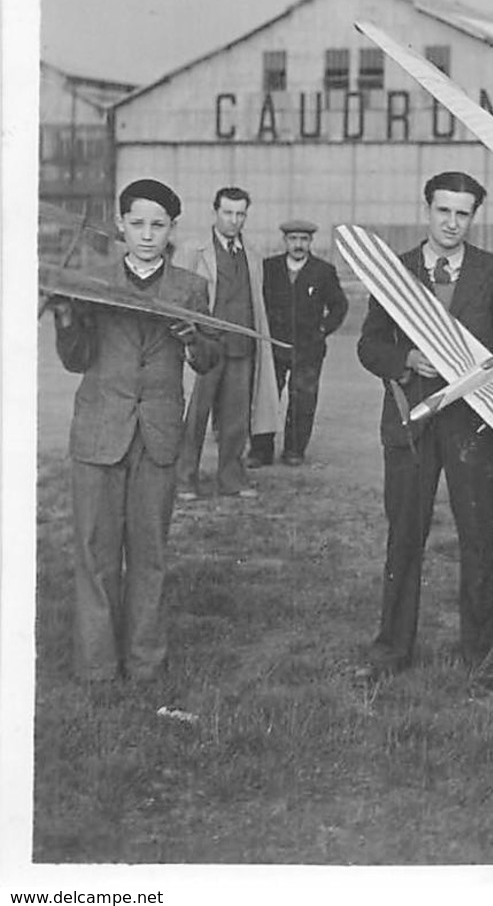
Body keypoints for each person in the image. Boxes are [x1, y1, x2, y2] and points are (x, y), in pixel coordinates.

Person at [355, 172, 493, 692]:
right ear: (427, 209)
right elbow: (369, 346)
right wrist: (408, 358)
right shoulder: (396, 271)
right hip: (411, 424)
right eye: (444, 211)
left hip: (473, 425)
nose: (452, 223)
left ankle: (486, 656)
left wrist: (479, 365)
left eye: (463, 213)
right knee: (404, 536)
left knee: (479, 537)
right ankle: (391, 650)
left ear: (474, 217)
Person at [53, 179, 222, 682]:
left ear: (172, 229)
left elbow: (211, 357)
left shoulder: (190, 287)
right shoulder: (93, 280)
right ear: (120, 224)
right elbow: (76, 360)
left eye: (158, 225)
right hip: (100, 433)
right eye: (137, 224)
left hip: (158, 436)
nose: (147, 235)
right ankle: (97, 666)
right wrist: (66, 317)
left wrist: (193, 338)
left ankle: (146, 662)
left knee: (149, 554)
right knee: (96, 551)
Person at [175, 186, 277, 500]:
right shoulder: (193, 250)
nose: (234, 220)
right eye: (228, 213)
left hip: (241, 347)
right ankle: (183, 479)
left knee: (236, 419)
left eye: (240, 214)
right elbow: (177, 298)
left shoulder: (254, 253)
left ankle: (232, 478)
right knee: (194, 417)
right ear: (215, 212)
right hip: (204, 348)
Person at [248, 219, 349, 467]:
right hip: (273, 345)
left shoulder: (323, 271)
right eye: (293, 239)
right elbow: (257, 302)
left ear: (310, 242)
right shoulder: (269, 268)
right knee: (266, 398)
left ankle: (294, 449)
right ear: (285, 241)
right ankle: (261, 451)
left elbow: (339, 305)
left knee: (303, 398)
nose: (298, 245)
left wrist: (323, 330)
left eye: (303, 240)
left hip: (308, 349)